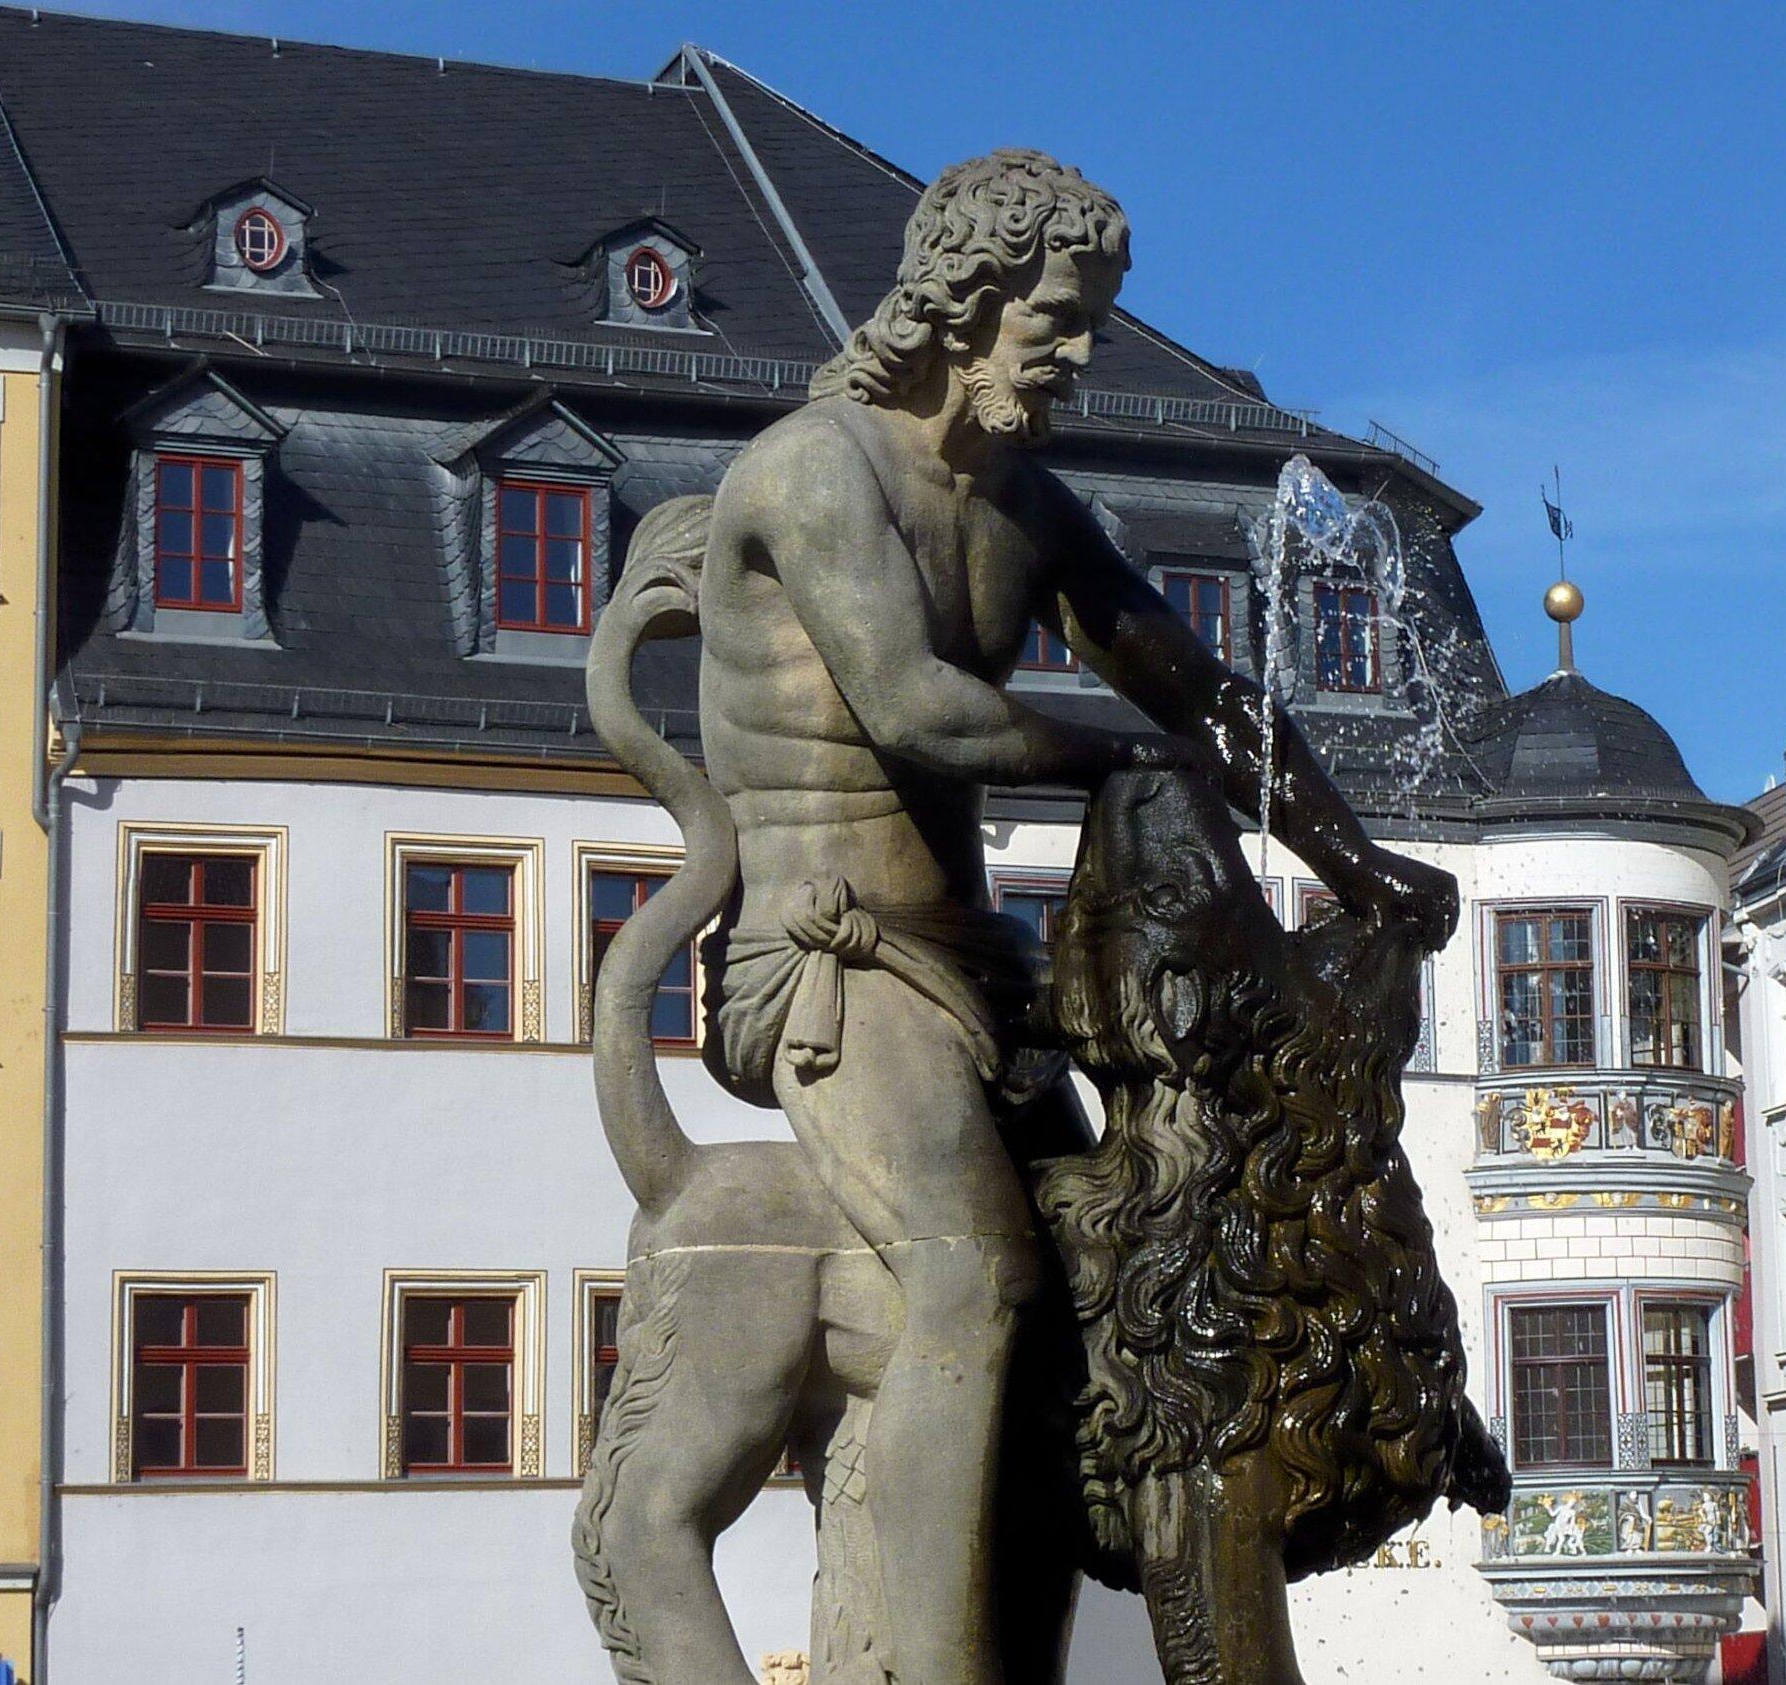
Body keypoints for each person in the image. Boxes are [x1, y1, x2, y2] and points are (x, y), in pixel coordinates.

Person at [694, 149, 1449, 1685]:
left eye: (1095, 321)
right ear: (963, 305)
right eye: (1060, 319)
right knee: (977, 1273)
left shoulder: (1028, 507)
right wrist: (1138, 756)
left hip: (984, 974)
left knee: (1107, 1303)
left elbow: (1202, 695)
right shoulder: (810, 469)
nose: (1080, 353)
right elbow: (921, 715)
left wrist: (1359, 865)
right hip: (833, 967)